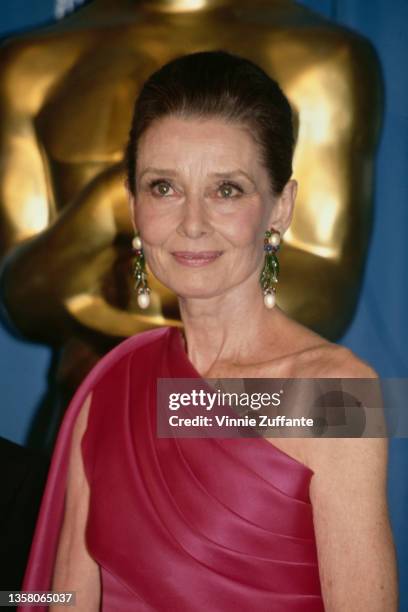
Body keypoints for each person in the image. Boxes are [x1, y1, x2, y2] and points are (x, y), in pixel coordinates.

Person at [19, 50, 397, 611]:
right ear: (133, 207)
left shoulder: (334, 394)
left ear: (280, 207)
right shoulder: (112, 387)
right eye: (164, 187)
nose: (192, 222)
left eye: (227, 190)